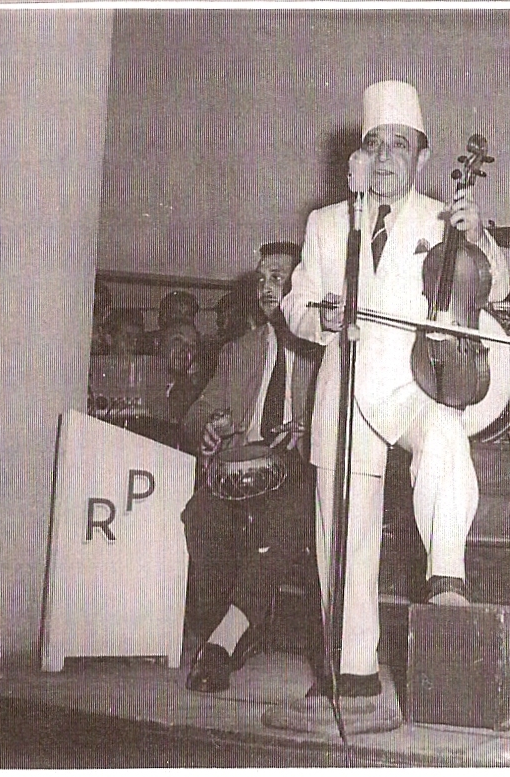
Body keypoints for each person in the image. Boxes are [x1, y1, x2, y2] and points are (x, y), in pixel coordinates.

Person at [267, 80, 509, 734]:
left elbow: (494, 285)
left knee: (445, 429)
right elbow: (295, 304)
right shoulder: (326, 223)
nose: (384, 158)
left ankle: (447, 576)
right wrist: (321, 314)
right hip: (344, 393)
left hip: (413, 381)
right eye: (373, 146)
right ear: (358, 157)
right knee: (342, 535)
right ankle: (354, 679)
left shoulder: (442, 217)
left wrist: (481, 238)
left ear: (422, 158)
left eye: (398, 146)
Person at [180, 242, 319, 694]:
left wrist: (310, 431)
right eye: (262, 278)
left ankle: (224, 640)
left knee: (289, 518)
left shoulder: (326, 354)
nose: (266, 287)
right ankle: (240, 623)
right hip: (239, 472)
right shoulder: (237, 350)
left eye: (278, 277)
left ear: (304, 285)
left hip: (297, 473)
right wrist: (207, 428)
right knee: (200, 514)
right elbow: (196, 412)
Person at [147, 290, 200, 354]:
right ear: (164, 316)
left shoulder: (198, 342)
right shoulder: (149, 342)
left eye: (188, 314)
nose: (183, 319)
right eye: (177, 313)